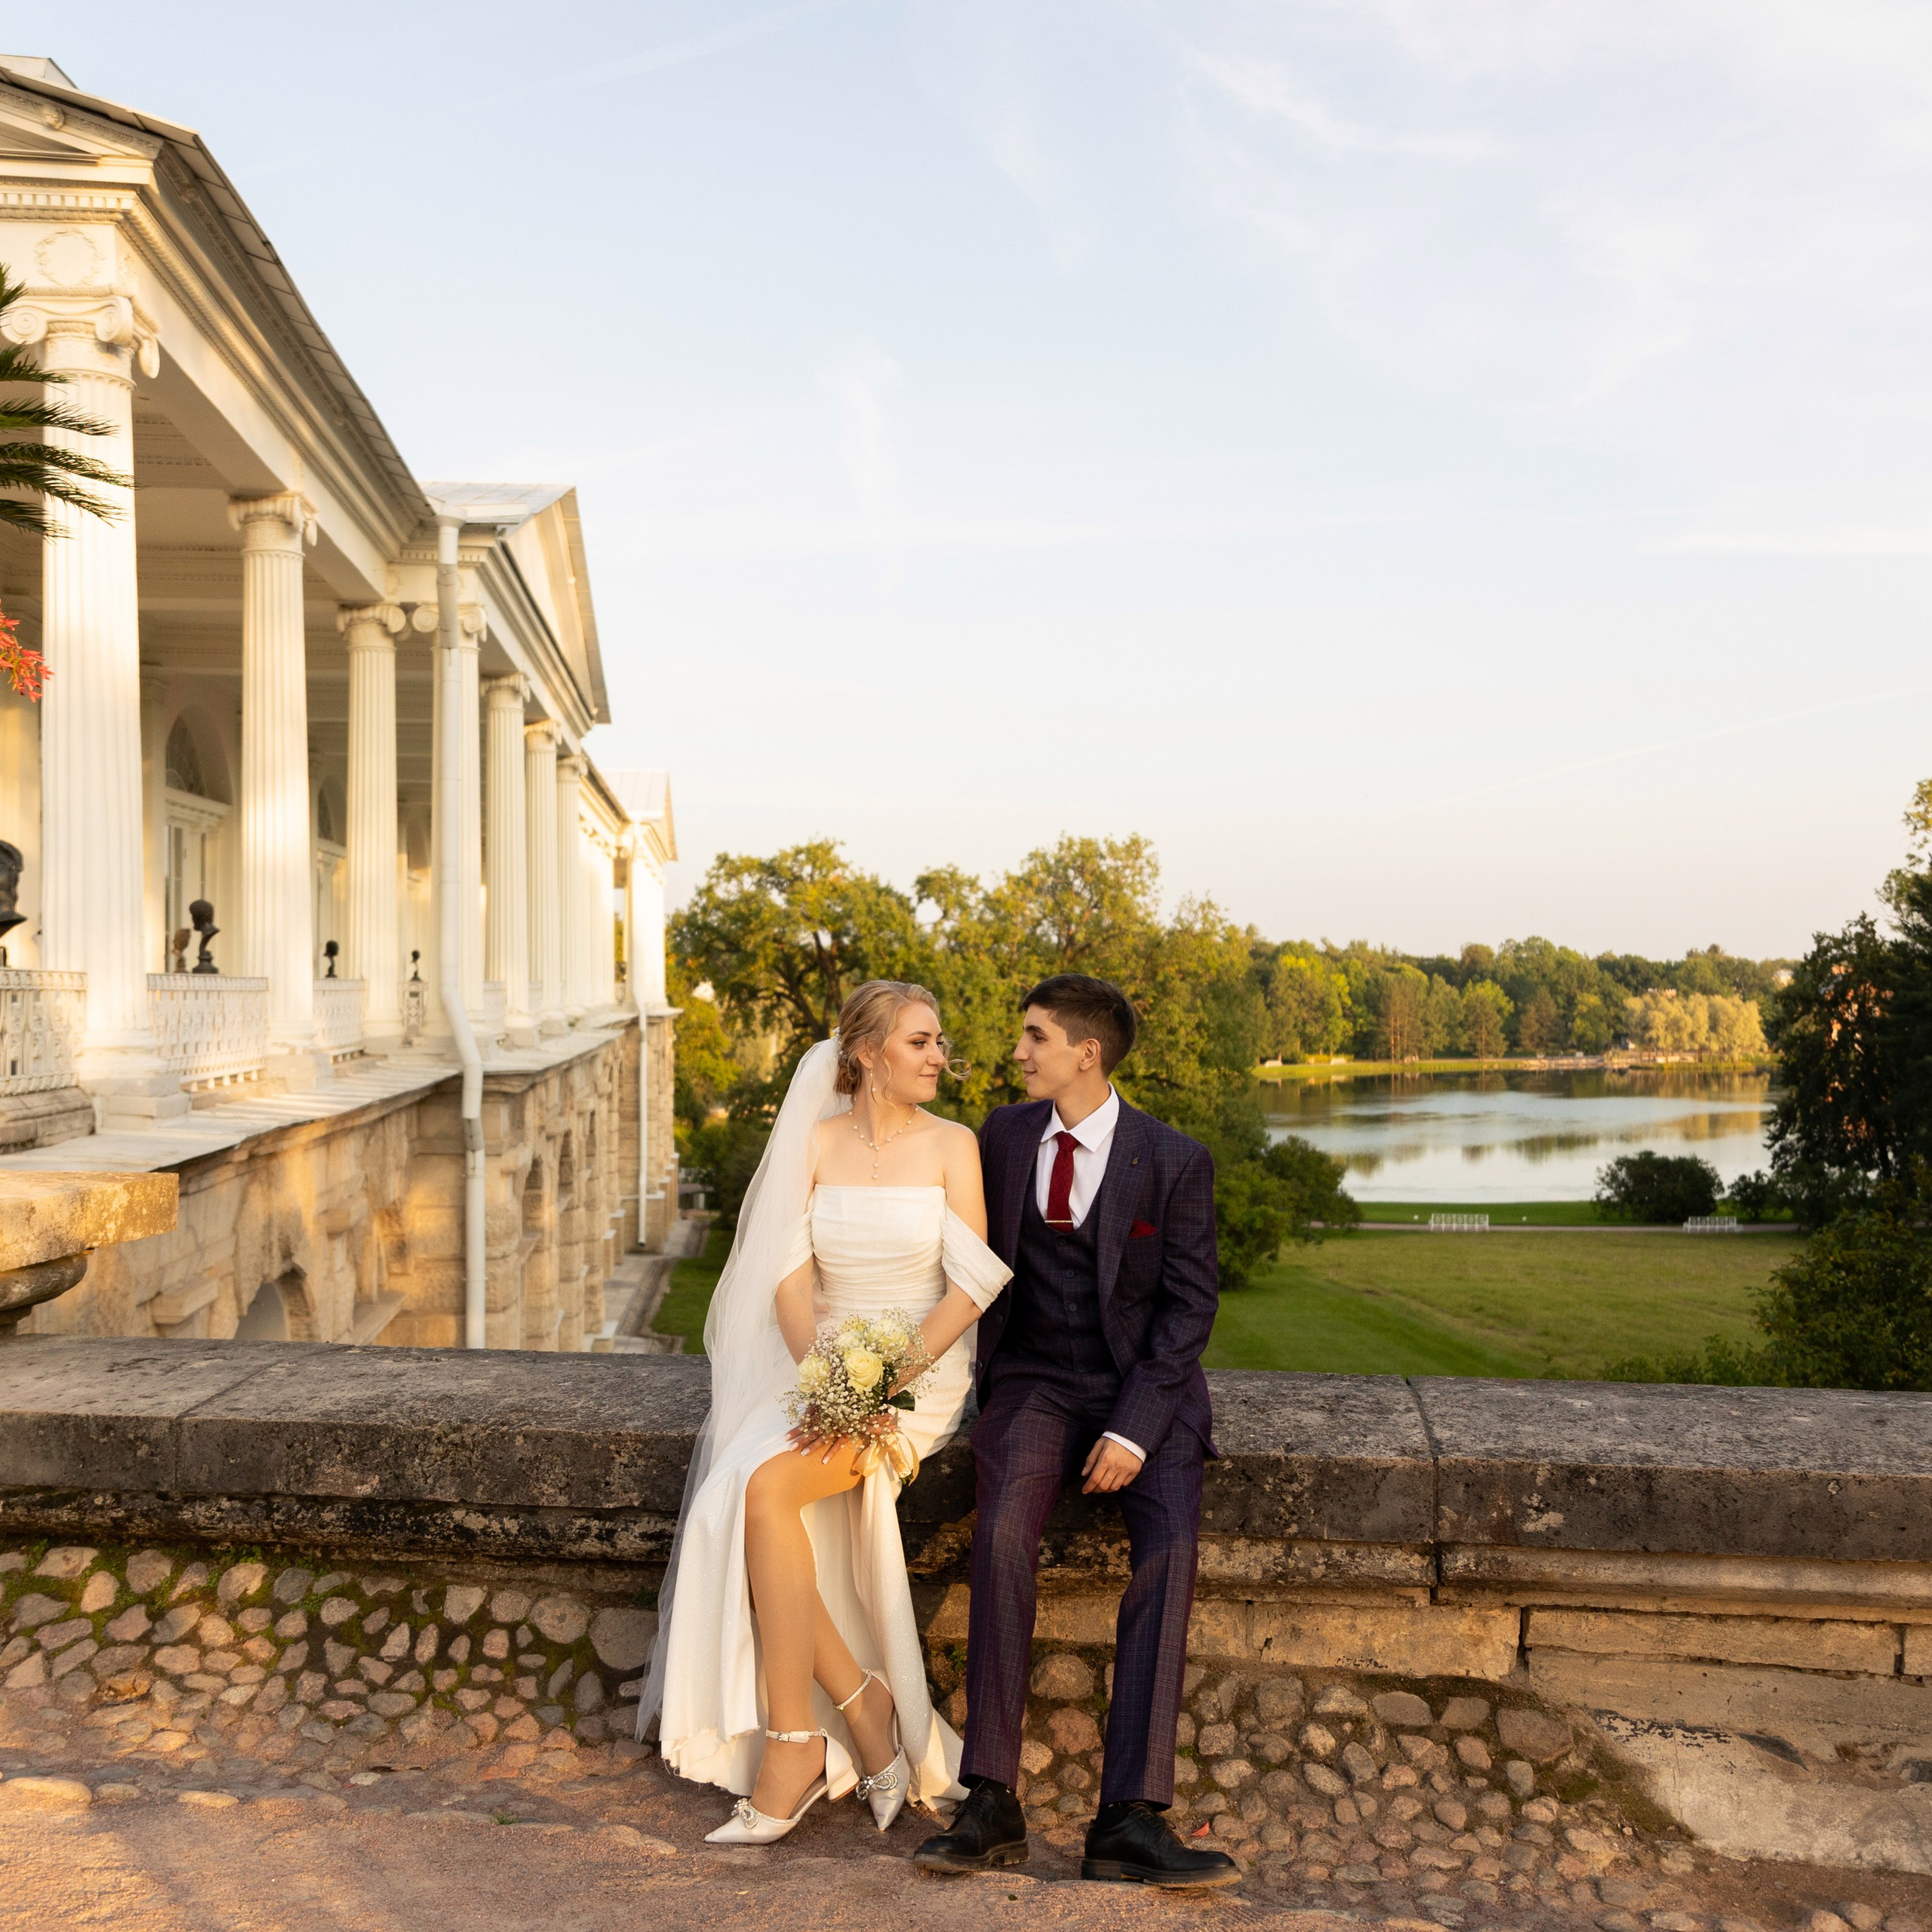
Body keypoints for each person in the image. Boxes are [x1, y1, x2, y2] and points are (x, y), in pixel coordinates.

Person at [638, 981, 1011, 1845]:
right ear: (867, 1053)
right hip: (819, 1366)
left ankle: (795, 1746)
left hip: (917, 1372)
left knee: (765, 1490)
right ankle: (863, 1705)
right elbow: (786, 1276)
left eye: (938, 1040)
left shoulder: (955, 1145)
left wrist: (877, 1389)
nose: (937, 1055)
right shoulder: (813, 1141)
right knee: (735, 1490)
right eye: (919, 1041)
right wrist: (824, 1380)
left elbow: (969, 1290)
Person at [914, 974, 1238, 1888]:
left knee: (1170, 1550)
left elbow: (1187, 1310)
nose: (1017, 1052)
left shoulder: (1172, 1159)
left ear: (1084, 1054)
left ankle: (1130, 1818)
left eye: (1033, 1037)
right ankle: (991, 1801)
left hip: (1147, 1393)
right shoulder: (1004, 1139)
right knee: (1004, 1534)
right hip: (1034, 1386)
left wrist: (1134, 1431)